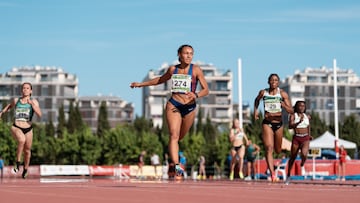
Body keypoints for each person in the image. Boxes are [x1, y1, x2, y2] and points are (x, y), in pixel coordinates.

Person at [130, 44, 209, 178]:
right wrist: (141, 84)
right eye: (186, 53)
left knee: (180, 136)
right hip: (174, 104)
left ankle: (176, 151)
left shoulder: (196, 70)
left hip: (189, 107)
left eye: (191, 53)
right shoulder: (173, 70)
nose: (189, 56)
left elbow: (206, 89)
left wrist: (196, 95)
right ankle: (177, 167)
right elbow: (160, 80)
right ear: (179, 54)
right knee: (173, 135)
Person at [253, 73, 293, 182]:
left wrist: (284, 105)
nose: (274, 82)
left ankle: (277, 154)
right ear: (268, 82)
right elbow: (256, 100)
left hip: (279, 124)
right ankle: (272, 174)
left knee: (277, 150)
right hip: (267, 123)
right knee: (269, 148)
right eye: (272, 80)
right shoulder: (263, 93)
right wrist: (256, 111)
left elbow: (291, 111)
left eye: (276, 80)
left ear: (278, 82)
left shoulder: (283, 94)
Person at [0, 82, 42, 179]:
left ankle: (25, 169)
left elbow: (40, 114)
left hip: (28, 129)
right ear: (21, 90)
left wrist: (32, 105)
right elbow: (10, 106)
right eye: (23, 88)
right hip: (16, 127)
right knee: (21, 140)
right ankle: (18, 162)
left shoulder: (34, 102)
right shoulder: (16, 100)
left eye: (27, 88)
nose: (25, 90)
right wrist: (2, 112)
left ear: (31, 91)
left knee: (27, 151)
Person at [286, 100, 311, 184]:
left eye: (303, 106)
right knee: (293, 157)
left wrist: (309, 135)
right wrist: (299, 122)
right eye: (300, 106)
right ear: (296, 107)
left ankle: (302, 163)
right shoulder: (293, 115)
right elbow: (290, 126)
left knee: (304, 154)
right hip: (296, 138)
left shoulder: (306, 116)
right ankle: (288, 175)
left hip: (305, 138)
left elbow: (308, 126)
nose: (302, 108)